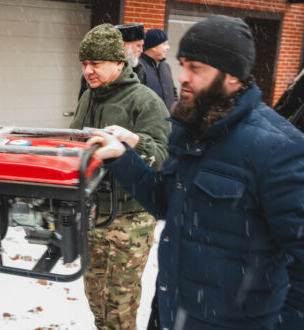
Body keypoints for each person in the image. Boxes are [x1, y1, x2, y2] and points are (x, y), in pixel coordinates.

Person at [87, 15, 304, 329]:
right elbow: (165, 202)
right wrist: (123, 157)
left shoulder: (278, 148)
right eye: (183, 64)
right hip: (170, 314)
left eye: (196, 68)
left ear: (232, 75)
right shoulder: (191, 130)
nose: (182, 77)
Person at [71, 24, 171, 329]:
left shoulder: (145, 100)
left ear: (118, 63)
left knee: (119, 304)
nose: (88, 71)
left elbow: (165, 156)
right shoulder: (89, 97)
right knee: (96, 300)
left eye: (96, 64)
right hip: (94, 213)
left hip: (130, 218)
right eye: (85, 64)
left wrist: (136, 141)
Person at [78, 23, 147, 99]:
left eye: (142, 46)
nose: (141, 50)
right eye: (138, 45)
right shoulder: (93, 74)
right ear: (123, 45)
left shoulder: (140, 69)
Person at [139, 29, 178, 111]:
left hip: (169, 121)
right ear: (153, 47)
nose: (168, 47)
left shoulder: (166, 67)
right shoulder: (138, 67)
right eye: (164, 44)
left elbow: (173, 92)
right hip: (150, 121)